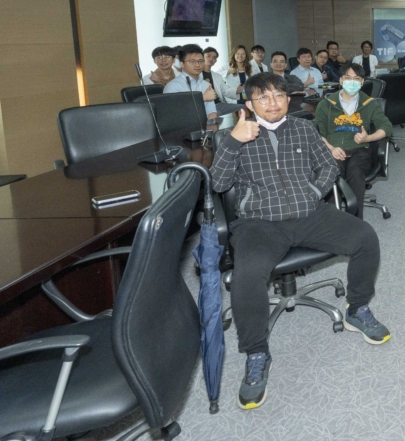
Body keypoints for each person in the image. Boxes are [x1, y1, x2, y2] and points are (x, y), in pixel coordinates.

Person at [210, 73, 388, 410]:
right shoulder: (233, 136)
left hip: (309, 214)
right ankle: (256, 353)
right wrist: (233, 141)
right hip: (260, 223)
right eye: (263, 97)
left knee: (365, 238)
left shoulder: (304, 129)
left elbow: (328, 167)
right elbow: (218, 185)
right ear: (249, 104)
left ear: (288, 98)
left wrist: (312, 192)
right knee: (248, 276)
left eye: (279, 95)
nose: (273, 103)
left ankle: (357, 308)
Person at [315, 64, 393, 219]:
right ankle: (333, 220)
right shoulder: (326, 104)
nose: (352, 82)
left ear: (362, 82)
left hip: (360, 150)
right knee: (331, 174)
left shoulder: (369, 104)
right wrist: (330, 148)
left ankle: (355, 222)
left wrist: (368, 138)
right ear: (340, 80)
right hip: (333, 149)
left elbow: (387, 127)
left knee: (356, 173)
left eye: (356, 79)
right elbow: (317, 132)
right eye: (347, 78)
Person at [164, 44, 218, 119]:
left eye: (200, 61)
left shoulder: (206, 85)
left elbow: (211, 111)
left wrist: (212, 124)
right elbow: (173, 113)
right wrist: (202, 98)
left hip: (205, 124)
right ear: (182, 64)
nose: (197, 65)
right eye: (192, 61)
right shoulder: (173, 86)